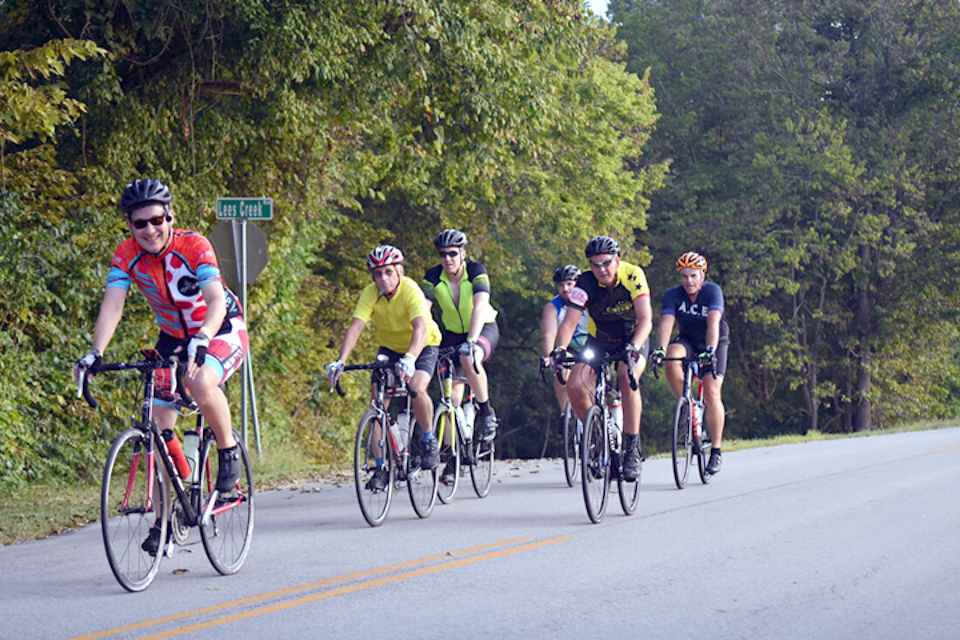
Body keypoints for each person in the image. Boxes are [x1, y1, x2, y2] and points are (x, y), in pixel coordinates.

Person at [74, 178, 248, 554]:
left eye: (156, 220)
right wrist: (95, 352)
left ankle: (228, 452)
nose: (149, 229)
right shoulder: (126, 255)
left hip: (220, 327)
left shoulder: (193, 246)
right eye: (140, 223)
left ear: (170, 217)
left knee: (202, 383)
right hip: (171, 338)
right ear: (129, 226)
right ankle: (167, 518)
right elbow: (113, 305)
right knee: (158, 426)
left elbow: (216, 299)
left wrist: (203, 334)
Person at [326, 245, 442, 490]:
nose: (383, 279)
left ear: (399, 270)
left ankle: (429, 439)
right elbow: (356, 326)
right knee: (377, 405)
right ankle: (380, 468)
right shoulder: (371, 293)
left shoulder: (411, 290)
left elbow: (420, 329)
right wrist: (341, 360)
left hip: (423, 345)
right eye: (377, 274)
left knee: (417, 388)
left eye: (388, 272)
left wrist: (410, 358)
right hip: (389, 348)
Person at [551, 236, 653, 481]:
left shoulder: (633, 275)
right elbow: (569, 322)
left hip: (633, 338)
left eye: (607, 263)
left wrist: (635, 346)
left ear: (617, 260)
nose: (602, 269)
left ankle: (631, 448)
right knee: (574, 385)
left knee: (626, 377)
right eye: (595, 264)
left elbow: (646, 320)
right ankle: (597, 436)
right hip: (600, 342)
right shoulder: (584, 283)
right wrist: (560, 349)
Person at [421, 229, 500, 484]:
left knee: (470, 357)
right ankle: (454, 458)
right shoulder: (433, 277)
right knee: (450, 400)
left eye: (453, 254)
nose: (448, 259)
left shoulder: (477, 271)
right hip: (451, 335)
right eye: (443, 255)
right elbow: (423, 311)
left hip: (483, 327)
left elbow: (479, 306)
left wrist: (471, 340)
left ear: (463, 254)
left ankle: (487, 413)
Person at [650, 251, 729, 475]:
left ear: (702, 275)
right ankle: (687, 404)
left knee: (713, 391)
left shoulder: (713, 292)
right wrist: (660, 349)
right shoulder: (673, 295)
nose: (689, 281)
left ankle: (715, 450)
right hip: (688, 341)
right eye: (684, 276)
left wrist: (711, 350)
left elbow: (714, 323)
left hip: (714, 341)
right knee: (672, 356)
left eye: (693, 276)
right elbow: (666, 324)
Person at [540, 265, 589, 418]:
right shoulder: (553, 307)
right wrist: (549, 356)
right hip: (569, 349)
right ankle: (565, 414)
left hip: (591, 346)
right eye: (561, 285)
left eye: (569, 284)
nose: (565, 289)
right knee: (560, 368)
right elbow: (549, 333)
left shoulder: (589, 302)